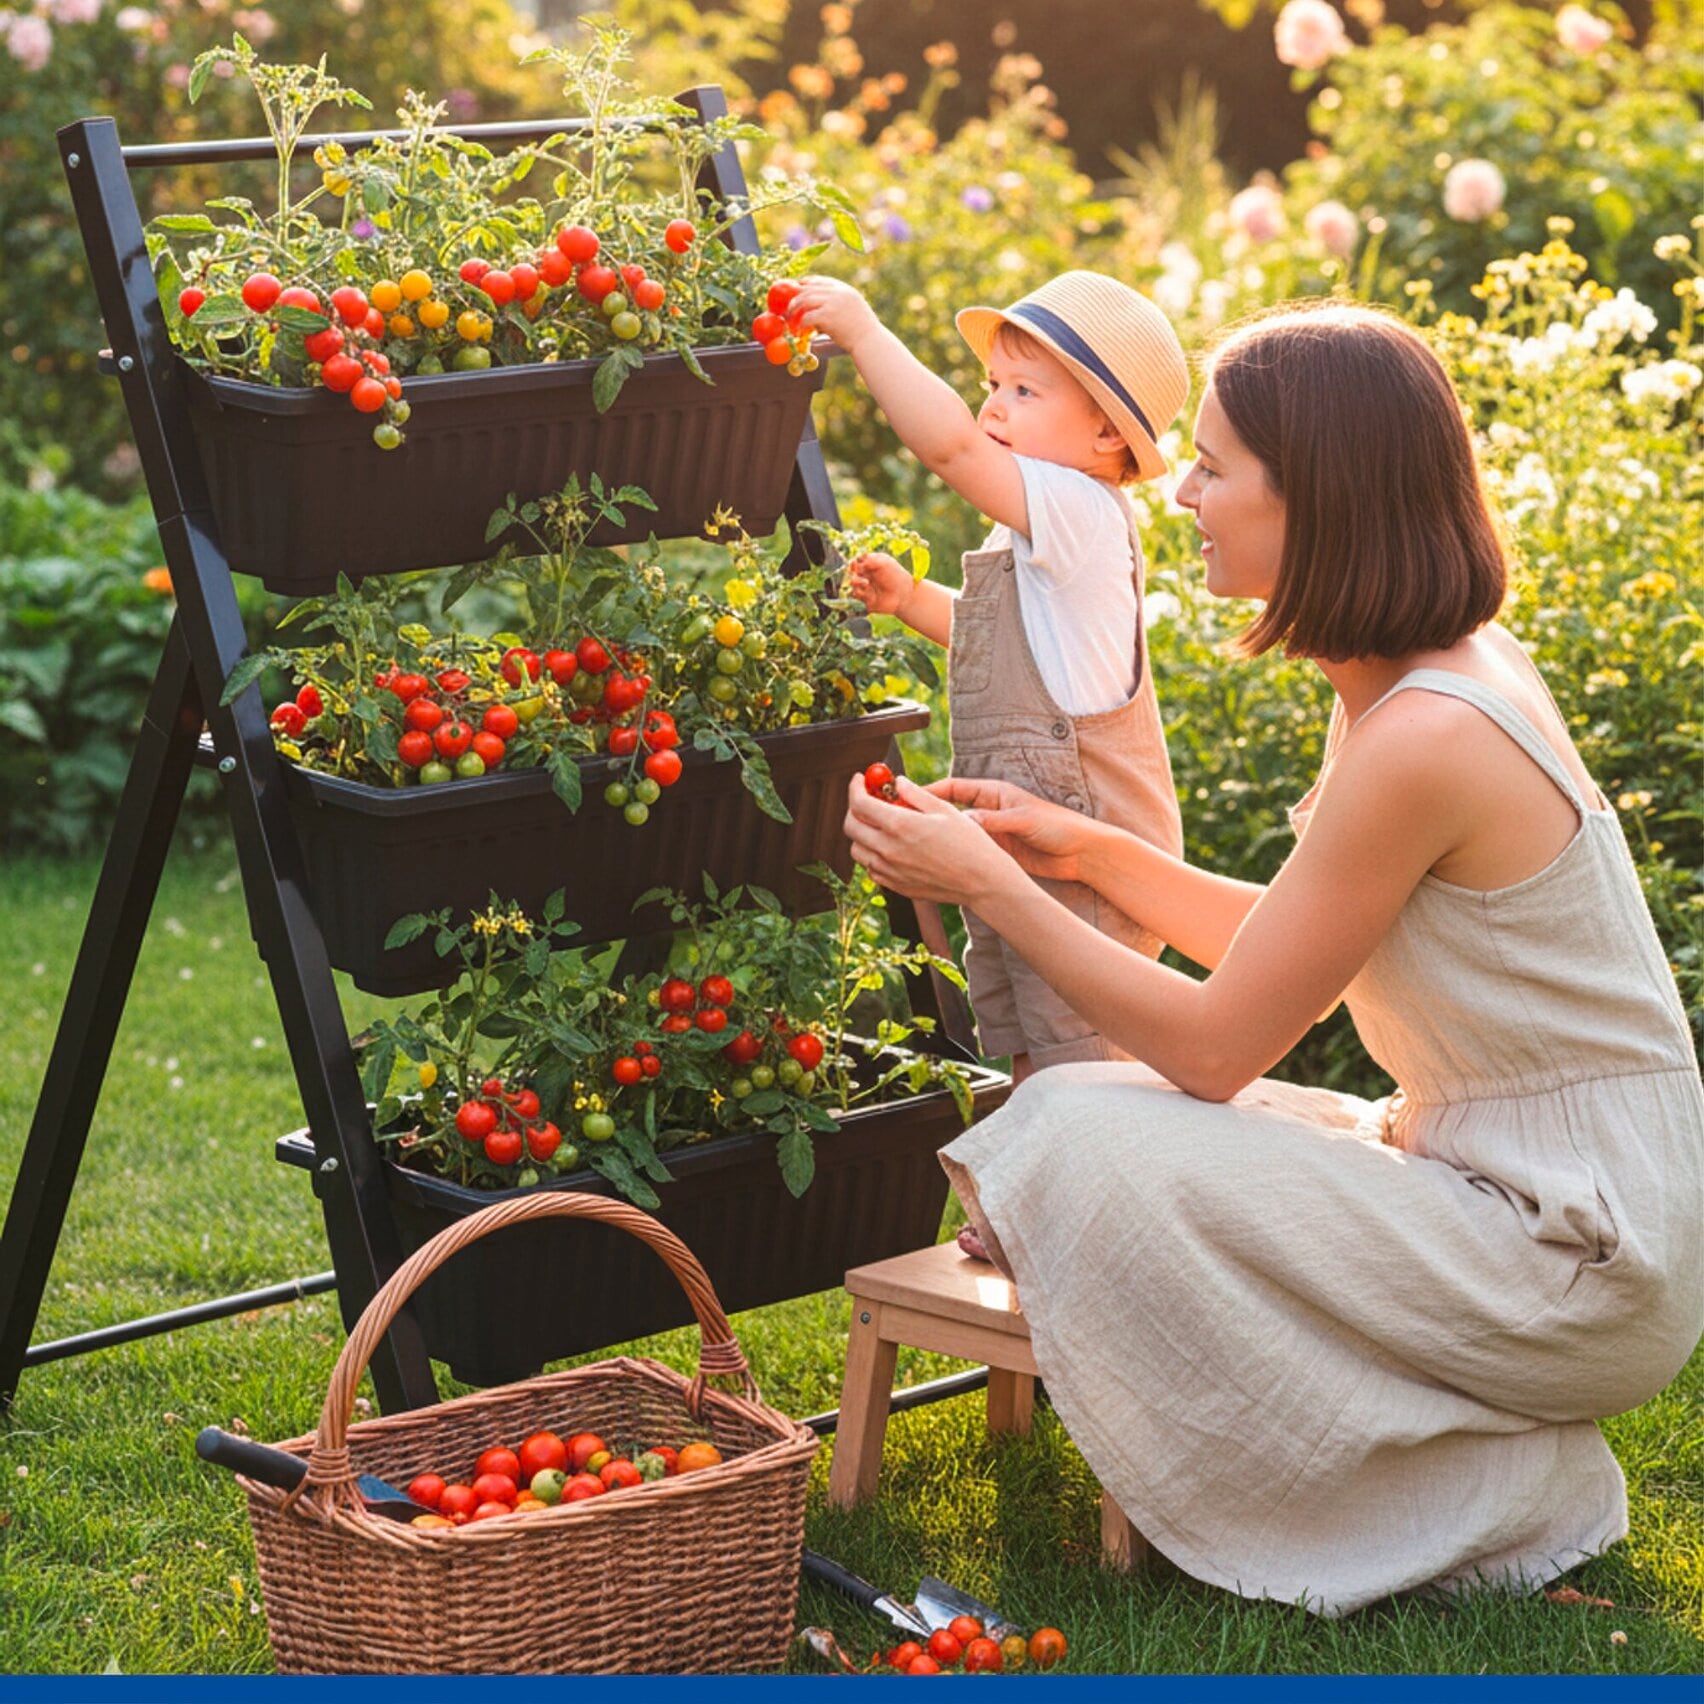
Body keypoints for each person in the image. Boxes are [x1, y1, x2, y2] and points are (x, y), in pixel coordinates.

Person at [841, 301, 1704, 1615]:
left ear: (1319, 498)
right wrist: (1088, 852)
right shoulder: (1418, 682)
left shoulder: (1426, 733)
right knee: (1115, 1120)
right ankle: (1496, 1473)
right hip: (1545, 1194)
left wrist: (995, 888)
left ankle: (1438, 1496)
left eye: (1213, 466)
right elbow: (1299, 935)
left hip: (1572, 1251)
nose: (1180, 493)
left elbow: (1212, 1047)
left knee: (1081, 1124)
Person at [789, 270, 1189, 1080]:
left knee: (1083, 1058)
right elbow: (1006, 643)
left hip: (1082, 857)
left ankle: (1084, 1192)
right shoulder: (1042, 533)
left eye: (1025, 390)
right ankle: (1024, 1196)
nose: (994, 406)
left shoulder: (1078, 509)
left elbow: (951, 448)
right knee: (1024, 1041)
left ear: (1108, 434)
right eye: (992, 385)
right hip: (1021, 842)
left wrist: (866, 334)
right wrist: (915, 602)